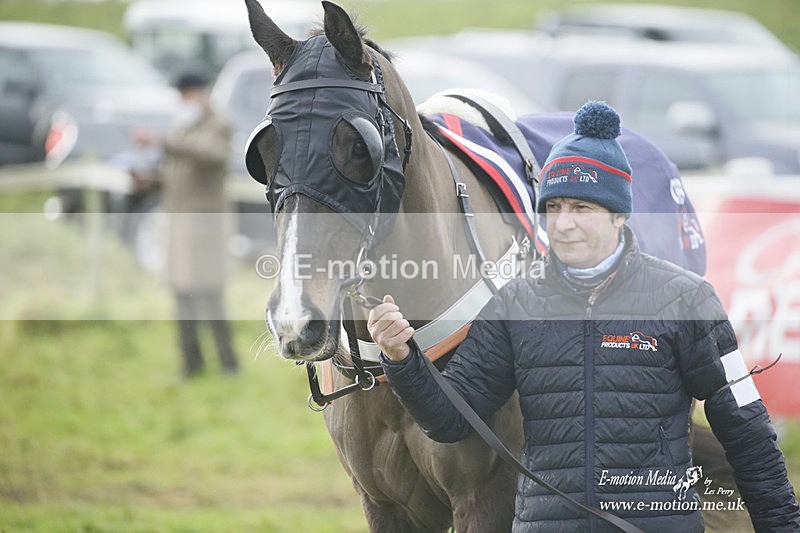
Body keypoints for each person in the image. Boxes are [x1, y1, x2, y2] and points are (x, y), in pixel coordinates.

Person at [367, 101, 800, 531]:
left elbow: (746, 430)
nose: (564, 224)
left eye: (582, 208)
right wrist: (402, 359)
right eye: (553, 208)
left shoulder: (687, 300)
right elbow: (450, 419)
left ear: (618, 214)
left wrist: (780, 524)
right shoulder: (514, 305)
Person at [135, 70, 239, 378]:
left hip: (205, 228)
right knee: (181, 295)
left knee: (210, 295)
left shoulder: (219, 124)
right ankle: (190, 363)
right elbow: (178, 172)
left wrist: (163, 142)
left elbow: (211, 156)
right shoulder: (183, 127)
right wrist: (150, 180)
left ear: (199, 94)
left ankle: (228, 363)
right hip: (179, 228)